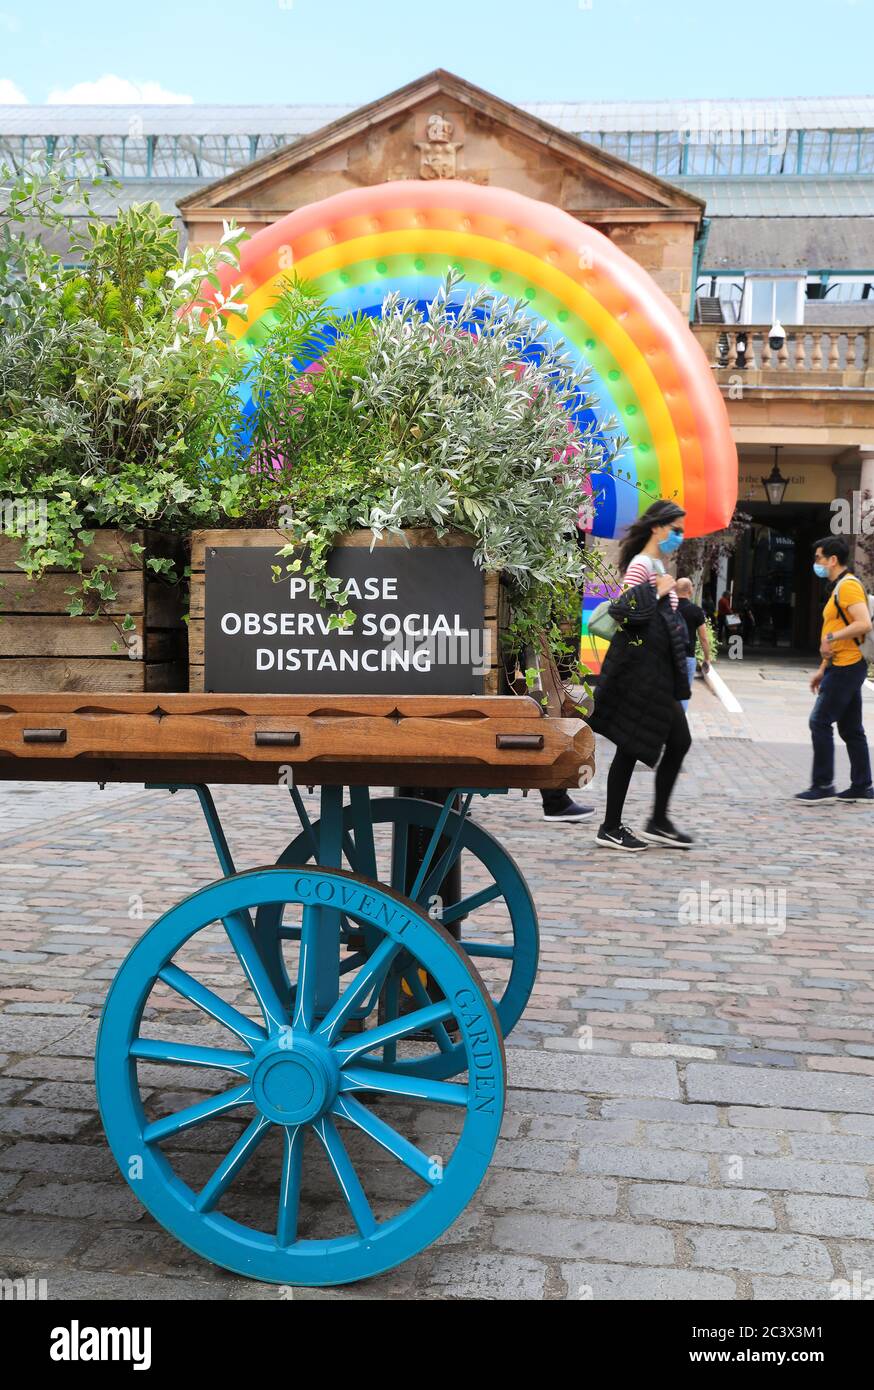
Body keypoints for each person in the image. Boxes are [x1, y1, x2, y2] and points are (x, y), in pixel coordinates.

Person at [588, 499, 693, 851]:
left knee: (677, 741)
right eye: (675, 530)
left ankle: (657, 820)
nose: (679, 536)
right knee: (631, 746)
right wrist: (658, 589)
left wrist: (674, 593)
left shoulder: (656, 564)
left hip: (657, 676)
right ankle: (612, 826)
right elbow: (623, 610)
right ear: (657, 528)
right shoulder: (641, 565)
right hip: (641, 675)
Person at [796, 536, 873, 804]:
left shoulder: (848, 587)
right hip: (840, 665)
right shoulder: (838, 588)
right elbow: (834, 637)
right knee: (851, 729)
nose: (816, 563)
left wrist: (831, 639)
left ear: (832, 560)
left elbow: (863, 624)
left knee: (819, 721)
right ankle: (862, 786)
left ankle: (823, 785)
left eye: (818, 558)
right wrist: (822, 668)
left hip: (848, 666)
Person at [675, 577, 712, 711]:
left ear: (674, 589)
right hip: (687, 657)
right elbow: (703, 638)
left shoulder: (667, 607)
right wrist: (707, 658)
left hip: (667, 655)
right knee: (683, 694)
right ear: (690, 590)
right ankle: (679, 726)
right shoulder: (695, 610)